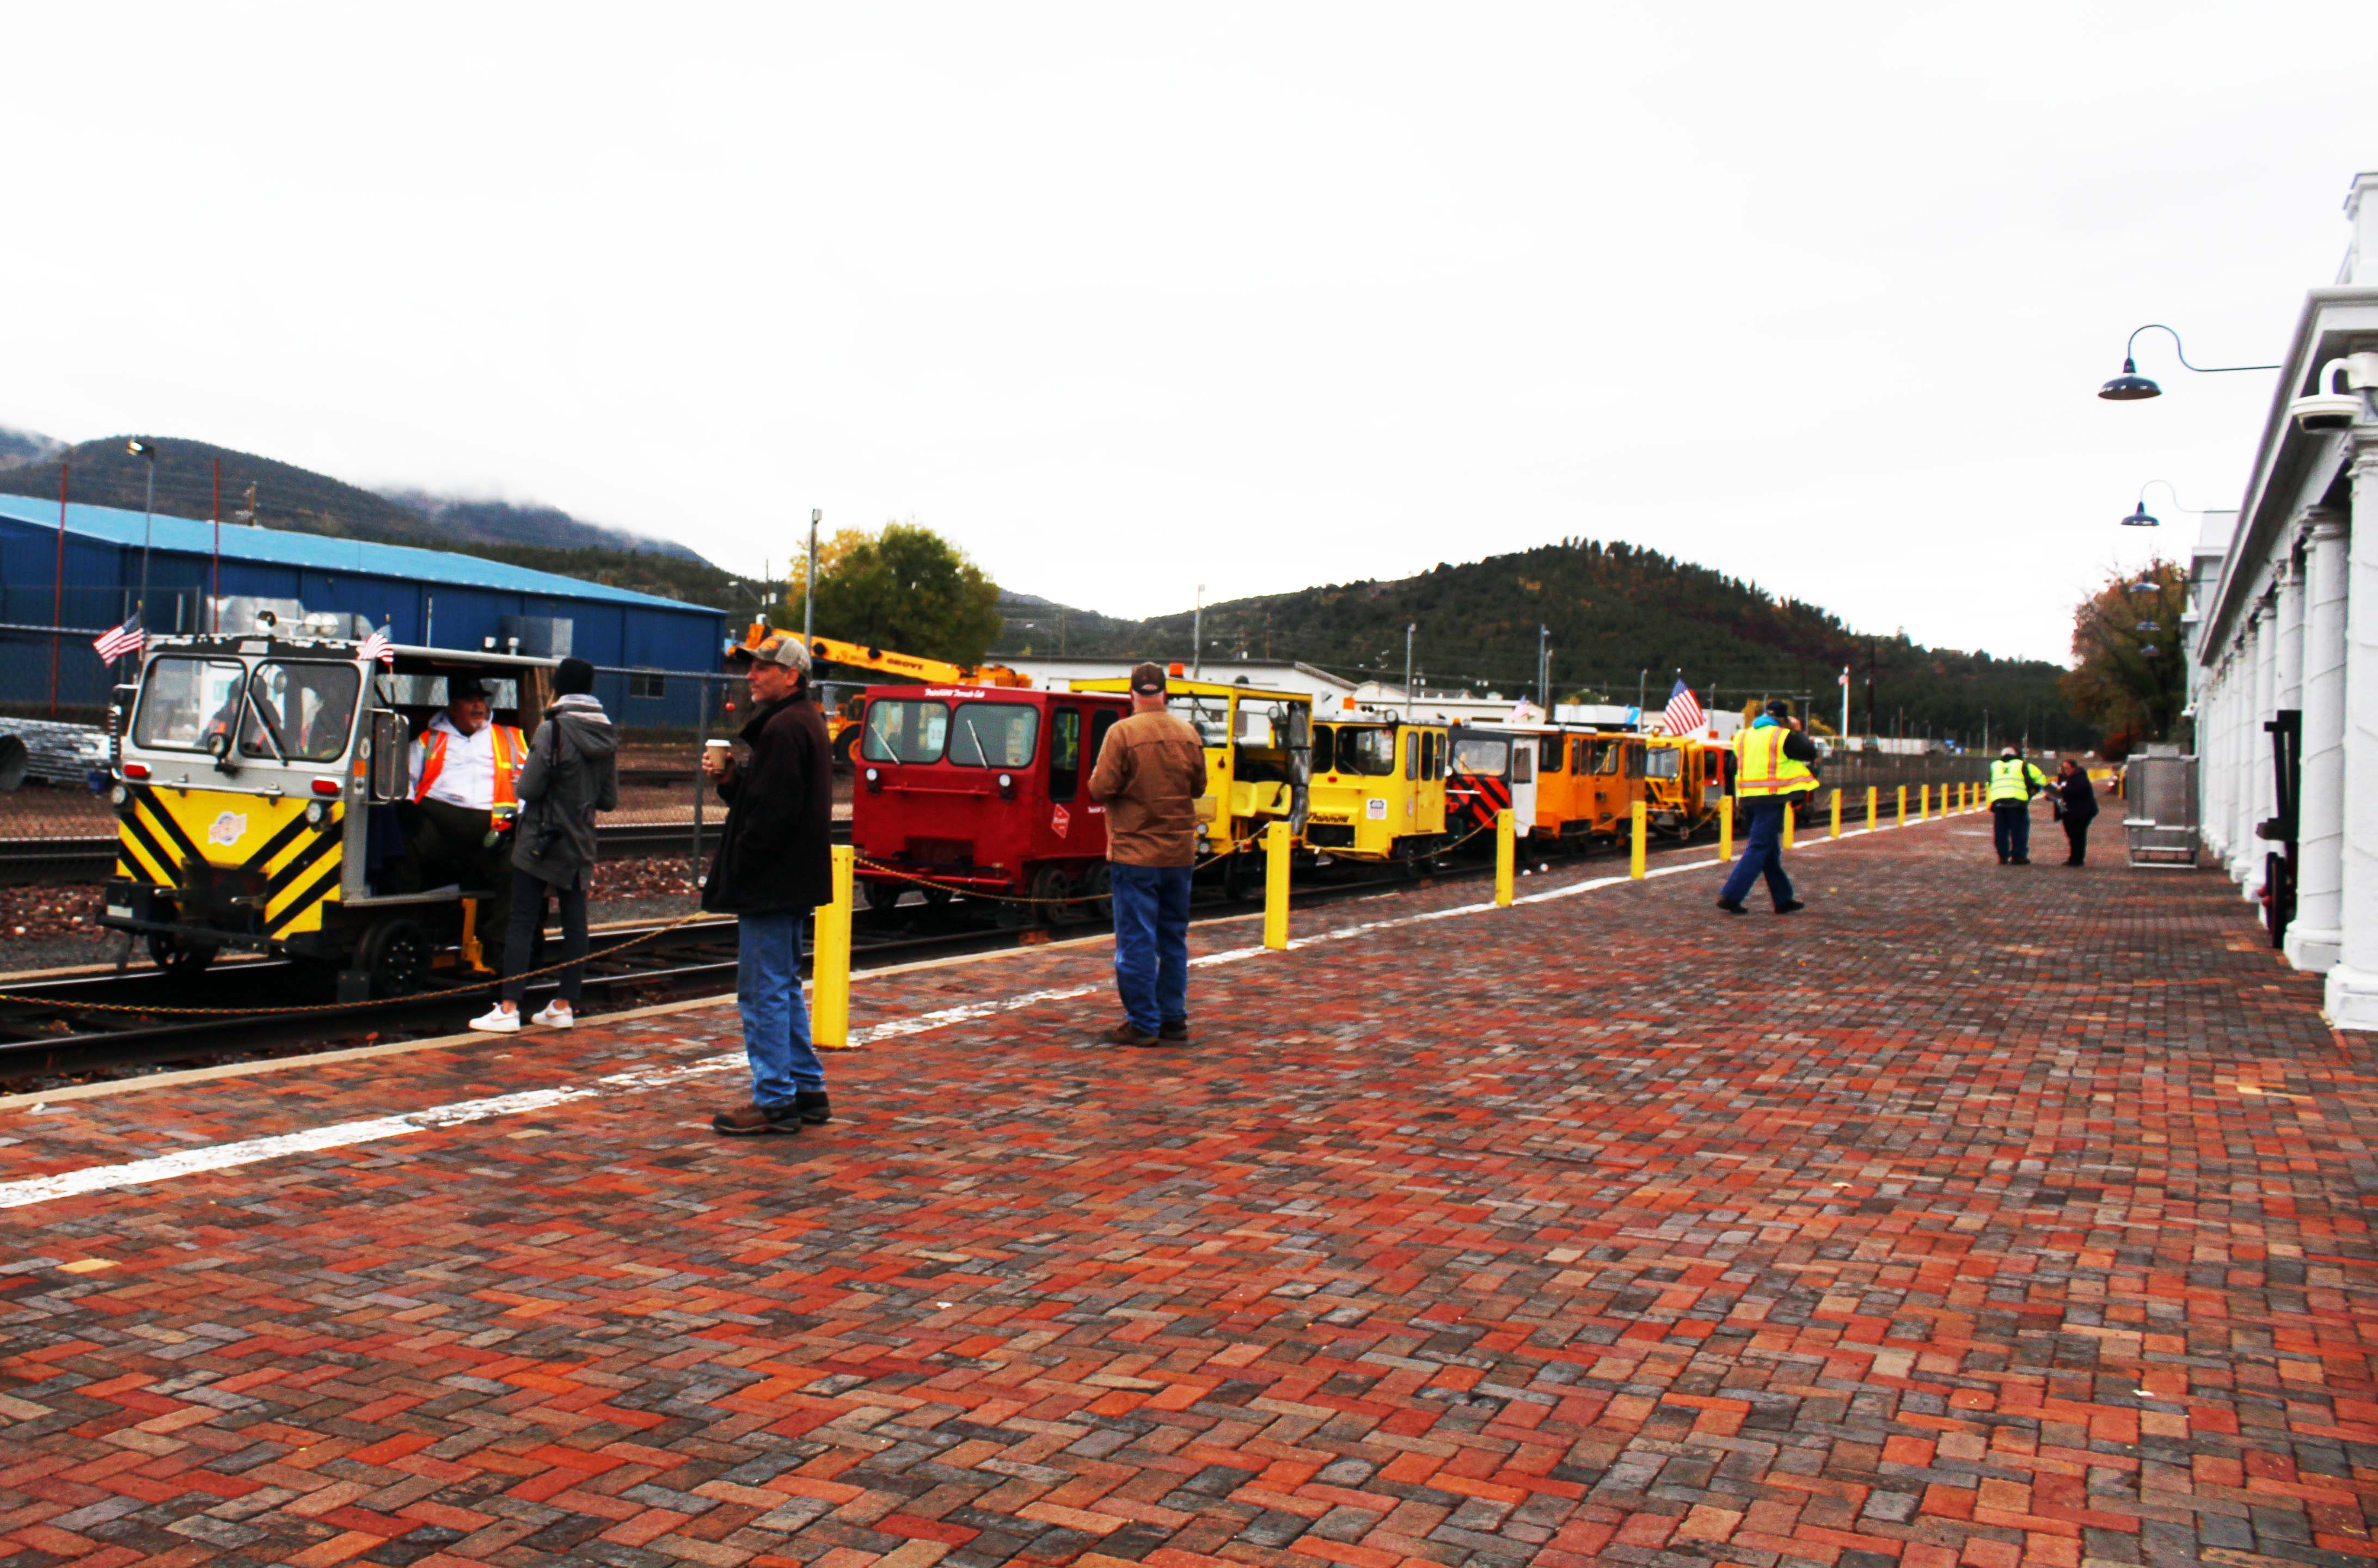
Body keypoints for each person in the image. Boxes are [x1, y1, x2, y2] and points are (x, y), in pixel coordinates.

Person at [704, 633, 835, 1136]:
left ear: (792, 676)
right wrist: (734, 783)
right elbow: (772, 804)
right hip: (793, 880)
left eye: (763, 667)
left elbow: (772, 819)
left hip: (771, 883)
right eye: (751, 665)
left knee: (762, 991)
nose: (751, 675)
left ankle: (775, 1099)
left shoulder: (783, 730)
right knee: (782, 987)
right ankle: (806, 1090)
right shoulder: (804, 723)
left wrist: (740, 865)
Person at [471, 658, 618, 1033]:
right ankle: (563, 1005)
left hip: (541, 839)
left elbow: (527, 789)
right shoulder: (606, 734)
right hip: (580, 840)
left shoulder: (551, 731)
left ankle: (508, 1008)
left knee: (521, 919)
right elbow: (609, 800)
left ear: (558, 687)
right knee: (575, 923)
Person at [1087, 661, 1209, 1045]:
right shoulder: (1187, 733)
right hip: (1178, 854)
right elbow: (1200, 787)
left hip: (1134, 853)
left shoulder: (1121, 732)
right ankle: (1173, 1018)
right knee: (1173, 938)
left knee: (1136, 940)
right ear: (1166, 694)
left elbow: (1099, 789)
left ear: (1132, 695)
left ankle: (1142, 1023)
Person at [407, 676, 528, 965]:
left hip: (493, 829)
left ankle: (497, 943)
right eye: (471, 702)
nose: (479, 707)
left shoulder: (509, 738)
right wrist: (407, 807)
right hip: (439, 823)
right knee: (403, 845)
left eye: (482, 701)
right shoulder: (429, 741)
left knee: (519, 865)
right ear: (453, 706)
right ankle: (410, 927)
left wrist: (516, 820)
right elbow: (408, 779)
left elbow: (528, 784)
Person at [1716, 699, 1818, 916]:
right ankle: (1731, 895)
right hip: (1770, 799)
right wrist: (1799, 730)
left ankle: (1783, 900)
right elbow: (1810, 753)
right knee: (1759, 847)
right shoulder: (1781, 736)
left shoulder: (1743, 736)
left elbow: (1732, 766)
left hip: (1747, 798)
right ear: (1783, 719)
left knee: (1770, 851)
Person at [1988, 745, 2051, 865]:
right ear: (2016, 755)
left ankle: (2002, 856)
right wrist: (2034, 790)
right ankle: (2018, 856)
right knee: (2019, 830)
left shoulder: (1995, 766)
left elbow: (1990, 783)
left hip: (1999, 802)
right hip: (2018, 802)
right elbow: (2041, 779)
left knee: (2000, 831)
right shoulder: (2023, 765)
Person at [2051, 757, 2099, 867]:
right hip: (2069, 811)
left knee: (2078, 835)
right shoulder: (2065, 778)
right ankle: (2074, 857)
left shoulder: (2081, 778)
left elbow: (2078, 791)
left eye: (2067, 768)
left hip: (2081, 812)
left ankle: (2077, 859)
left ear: (2074, 768)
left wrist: (2062, 790)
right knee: (2072, 835)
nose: (2065, 771)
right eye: (2064, 768)